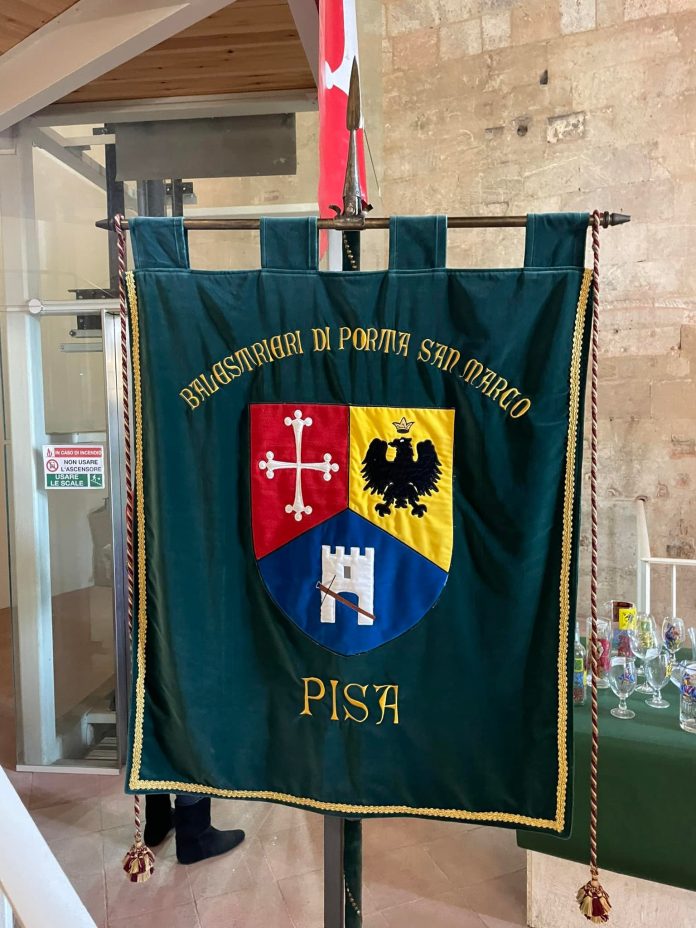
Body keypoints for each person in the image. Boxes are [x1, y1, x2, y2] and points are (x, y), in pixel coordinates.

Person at [144, 793, 245, 864]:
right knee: (189, 768)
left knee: (158, 768)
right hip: (195, 840)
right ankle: (197, 839)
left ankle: (158, 822)